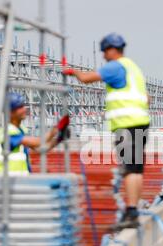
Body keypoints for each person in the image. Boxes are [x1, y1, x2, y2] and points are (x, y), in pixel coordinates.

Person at [63, 33, 150, 230]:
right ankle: (133, 209)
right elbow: (147, 98)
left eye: (104, 52)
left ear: (111, 49)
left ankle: (130, 212)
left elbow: (86, 79)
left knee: (128, 169)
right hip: (141, 122)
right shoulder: (133, 68)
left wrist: (73, 72)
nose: (103, 56)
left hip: (126, 125)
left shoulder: (115, 66)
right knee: (135, 169)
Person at [0, 93, 70, 176]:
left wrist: (59, 139)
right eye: (19, 107)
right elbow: (38, 142)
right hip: (5, 183)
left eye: (23, 106)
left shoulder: (19, 130)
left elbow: (40, 149)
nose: (24, 109)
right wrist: (55, 129)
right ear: (10, 113)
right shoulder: (8, 132)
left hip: (17, 182)